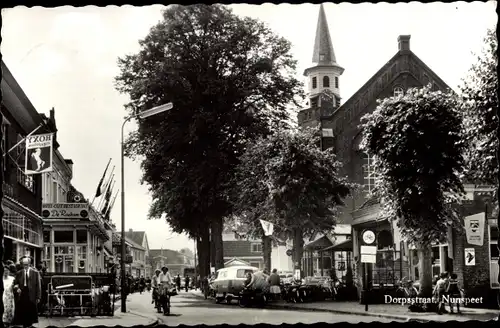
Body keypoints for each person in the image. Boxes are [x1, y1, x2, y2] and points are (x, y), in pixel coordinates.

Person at [12, 257, 41, 328]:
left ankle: (29, 324)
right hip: (22, 293)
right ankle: (25, 324)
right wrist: (17, 288)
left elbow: (38, 286)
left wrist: (38, 297)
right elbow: (15, 283)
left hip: (31, 294)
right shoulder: (19, 273)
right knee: (23, 310)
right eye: (24, 264)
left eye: (27, 264)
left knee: (31, 309)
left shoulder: (35, 273)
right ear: (22, 264)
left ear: (30, 264)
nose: (25, 266)